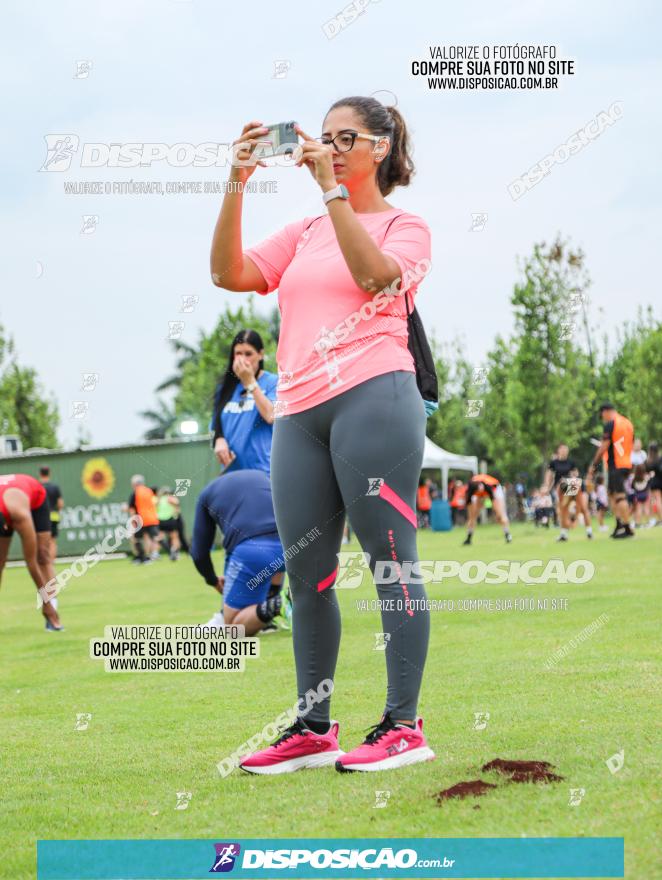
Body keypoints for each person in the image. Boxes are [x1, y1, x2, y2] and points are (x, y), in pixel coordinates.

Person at [211, 96, 435, 773]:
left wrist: (332, 191)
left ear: (382, 149)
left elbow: (373, 275)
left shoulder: (407, 226)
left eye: (347, 137)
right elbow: (228, 274)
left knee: (390, 560)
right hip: (301, 416)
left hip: (376, 398)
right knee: (309, 575)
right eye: (324, 136)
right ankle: (313, 727)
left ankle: (403, 726)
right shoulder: (307, 229)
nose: (331, 146)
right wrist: (236, 182)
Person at [190, 470, 289, 635]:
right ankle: (269, 617)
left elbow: (199, 552)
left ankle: (280, 603)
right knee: (273, 564)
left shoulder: (207, 493)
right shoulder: (262, 475)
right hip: (292, 544)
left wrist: (212, 580)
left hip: (253, 550)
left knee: (233, 629)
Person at [0, 474, 63, 630]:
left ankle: (52, 611)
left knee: (41, 557)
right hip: (7, 500)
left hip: (35, 499)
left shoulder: (20, 515)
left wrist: (46, 603)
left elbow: (31, 563)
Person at [210, 329, 277, 474]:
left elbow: (271, 415)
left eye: (248, 354)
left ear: (260, 354)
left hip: (263, 472)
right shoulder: (226, 388)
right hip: (232, 473)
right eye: (238, 354)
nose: (242, 360)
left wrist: (250, 382)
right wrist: (218, 439)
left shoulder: (272, 382)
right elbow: (215, 424)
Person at [587, 403, 634, 539]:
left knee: (619, 496)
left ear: (606, 411)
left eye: (602, 415)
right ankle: (619, 524)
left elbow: (604, 447)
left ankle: (627, 527)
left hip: (616, 464)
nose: (603, 418)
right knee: (612, 494)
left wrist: (594, 465)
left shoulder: (611, 424)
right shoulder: (627, 423)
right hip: (626, 462)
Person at [542, 444, 593, 542]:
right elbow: (549, 475)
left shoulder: (571, 462)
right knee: (563, 510)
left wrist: (573, 476)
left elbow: (576, 473)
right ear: (558, 450)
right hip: (560, 488)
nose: (564, 451)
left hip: (572, 485)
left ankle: (589, 531)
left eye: (566, 449)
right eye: (562, 449)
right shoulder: (554, 463)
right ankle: (564, 534)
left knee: (582, 507)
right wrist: (546, 487)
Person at [462, 474, 512, 545]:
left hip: (495, 490)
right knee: (472, 516)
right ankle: (468, 538)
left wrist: (495, 511)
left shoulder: (488, 486)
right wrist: (472, 516)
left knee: (500, 515)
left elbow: (493, 500)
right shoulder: (470, 488)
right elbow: (469, 503)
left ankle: (507, 534)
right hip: (479, 494)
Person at [128, 475, 160, 562]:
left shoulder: (135, 493)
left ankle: (141, 556)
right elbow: (156, 503)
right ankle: (150, 556)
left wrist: (133, 521)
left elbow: (132, 509)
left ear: (134, 484)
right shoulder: (149, 491)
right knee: (150, 538)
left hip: (141, 519)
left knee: (136, 539)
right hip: (152, 519)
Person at [38, 466, 64, 560]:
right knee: (52, 541)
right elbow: (60, 504)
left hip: (40, 517)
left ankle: (43, 562)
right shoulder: (55, 487)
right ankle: (51, 563)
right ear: (49, 473)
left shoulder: (38, 486)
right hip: (53, 516)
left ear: (40, 474)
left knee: (41, 542)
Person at [156, 487, 182, 560]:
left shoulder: (159, 499)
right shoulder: (170, 498)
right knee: (174, 537)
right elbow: (177, 504)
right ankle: (175, 552)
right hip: (170, 520)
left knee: (160, 537)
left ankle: (156, 553)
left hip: (161, 521)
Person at [646, 442, 662, 526]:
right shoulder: (660, 458)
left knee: (657, 500)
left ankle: (660, 518)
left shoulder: (649, 460)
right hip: (660, 480)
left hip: (655, 482)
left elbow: (647, 471)